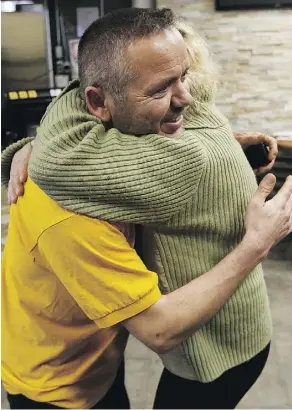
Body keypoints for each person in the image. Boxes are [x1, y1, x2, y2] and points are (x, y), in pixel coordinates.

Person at [2, 8, 291, 410]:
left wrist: (32, 144)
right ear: (97, 102)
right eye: (160, 89)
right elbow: (159, 330)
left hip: (101, 356)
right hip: (55, 386)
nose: (187, 99)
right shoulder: (70, 208)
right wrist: (257, 243)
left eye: (183, 76)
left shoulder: (132, 139)